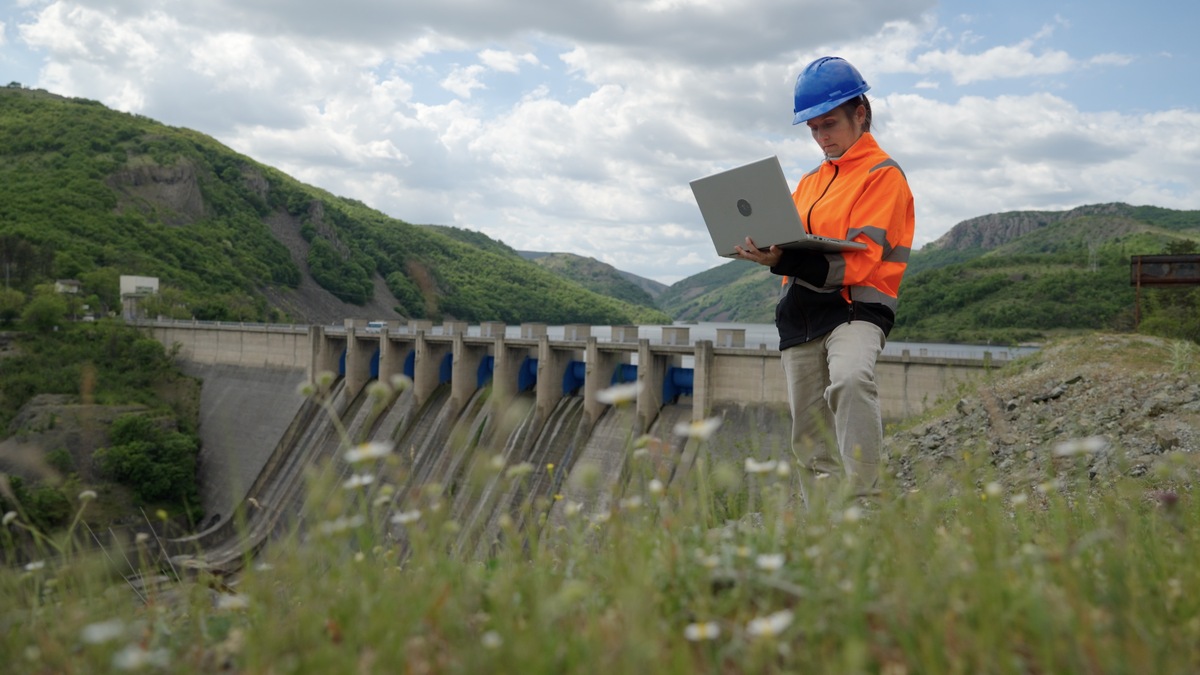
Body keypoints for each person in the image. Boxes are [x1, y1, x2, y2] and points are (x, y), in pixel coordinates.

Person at [735, 56, 915, 503]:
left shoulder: (883, 176)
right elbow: (792, 249)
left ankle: (866, 506)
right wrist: (770, 253)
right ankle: (825, 527)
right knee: (808, 430)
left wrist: (784, 261)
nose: (821, 137)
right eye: (813, 128)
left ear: (861, 113)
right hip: (801, 315)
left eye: (829, 124)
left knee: (852, 380)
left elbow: (859, 262)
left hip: (855, 310)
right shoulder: (810, 181)